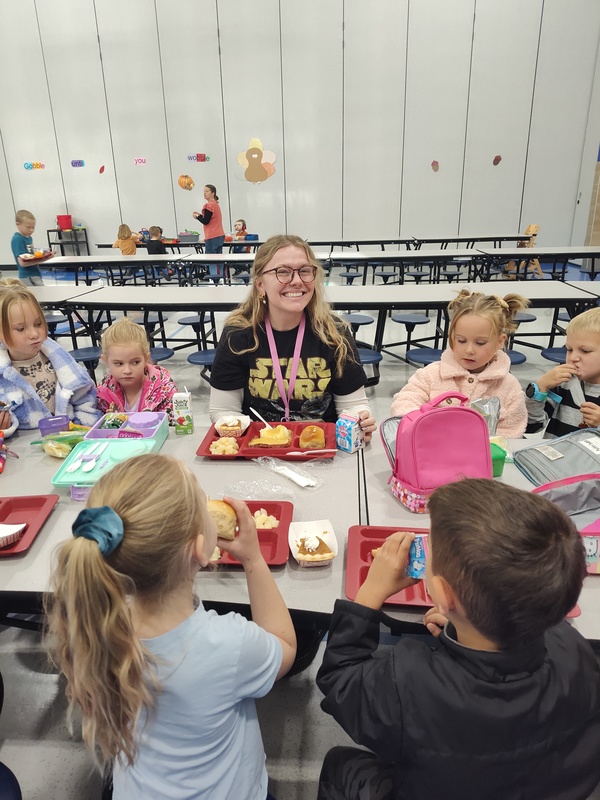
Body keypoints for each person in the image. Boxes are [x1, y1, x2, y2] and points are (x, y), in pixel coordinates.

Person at [316, 478, 600, 800]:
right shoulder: (576, 647)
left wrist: (368, 595)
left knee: (340, 763)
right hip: (544, 783)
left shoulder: (406, 686)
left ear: (444, 594)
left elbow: (340, 679)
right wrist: (460, 630)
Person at [45, 454, 296, 800]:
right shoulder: (228, 644)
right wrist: (253, 558)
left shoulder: (97, 624)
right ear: (199, 548)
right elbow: (285, 646)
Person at [209, 234, 377, 439]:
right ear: (260, 285)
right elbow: (224, 411)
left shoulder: (335, 333)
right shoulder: (238, 334)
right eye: (283, 272)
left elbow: (351, 406)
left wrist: (359, 422)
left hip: (320, 446)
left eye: (305, 271)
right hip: (259, 446)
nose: (297, 281)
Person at [391, 289, 528, 438]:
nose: (469, 350)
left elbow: (512, 433)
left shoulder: (509, 387)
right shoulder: (431, 375)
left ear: (500, 341)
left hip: (482, 459)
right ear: (452, 337)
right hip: (433, 452)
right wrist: (425, 427)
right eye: (461, 341)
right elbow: (404, 402)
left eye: (480, 343)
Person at [0, 280, 99, 436]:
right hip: (27, 454)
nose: (34, 334)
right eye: (21, 328)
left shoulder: (61, 361)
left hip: (72, 444)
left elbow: (86, 399)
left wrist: (80, 429)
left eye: (38, 324)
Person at [526, 306, 600, 437]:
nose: (573, 358)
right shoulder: (564, 382)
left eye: (585, 351)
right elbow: (531, 426)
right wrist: (540, 388)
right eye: (569, 349)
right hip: (555, 454)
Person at [97, 317, 177, 423]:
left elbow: (174, 428)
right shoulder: (102, 392)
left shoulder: (165, 390)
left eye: (135, 362)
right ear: (106, 361)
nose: (127, 370)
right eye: (118, 364)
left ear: (146, 358)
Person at [192, 184, 225, 282]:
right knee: (219, 258)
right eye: (204, 191)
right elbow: (210, 219)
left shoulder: (209, 205)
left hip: (212, 236)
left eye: (207, 191)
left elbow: (206, 221)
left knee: (211, 258)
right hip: (220, 235)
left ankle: (214, 279)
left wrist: (197, 216)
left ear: (213, 193)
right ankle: (221, 277)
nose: (204, 193)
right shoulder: (216, 204)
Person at [11, 209, 50, 286]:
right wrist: (42, 260)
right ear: (18, 224)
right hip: (27, 276)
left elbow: (31, 254)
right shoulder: (18, 239)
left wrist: (43, 255)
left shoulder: (28, 238)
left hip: (35, 273)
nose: (31, 230)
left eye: (33, 227)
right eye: (28, 227)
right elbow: (22, 263)